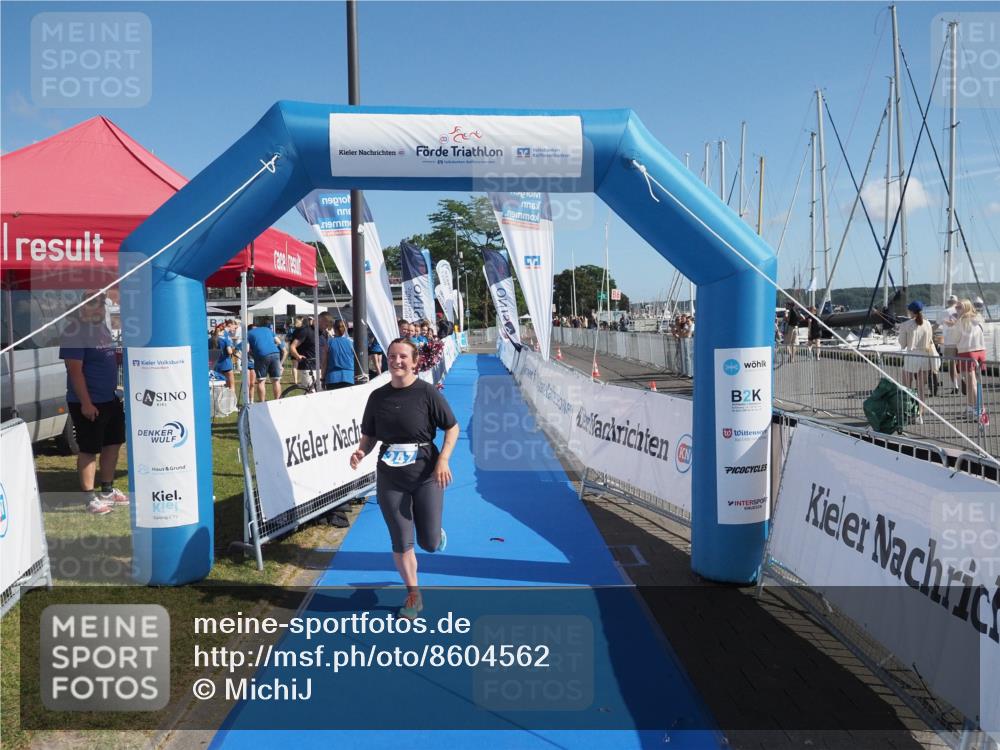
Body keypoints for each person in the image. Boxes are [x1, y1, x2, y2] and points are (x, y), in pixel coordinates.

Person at [349, 338, 460, 618]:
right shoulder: (378, 397)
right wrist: (361, 451)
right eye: (392, 356)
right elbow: (370, 435)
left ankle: (434, 532)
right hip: (390, 475)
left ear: (414, 362)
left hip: (426, 473)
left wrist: (443, 460)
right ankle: (413, 595)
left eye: (402, 357)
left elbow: (452, 427)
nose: (396, 361)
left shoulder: (426, 393)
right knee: (400, 541)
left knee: (430, 544)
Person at [59, 293, 129, 514]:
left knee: (113, 444)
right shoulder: (73, 332)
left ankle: (107, 489)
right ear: (82, 308)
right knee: (89, 449)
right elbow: (74, 371)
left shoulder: (102, 330)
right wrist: (86, 404)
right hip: (89, 402)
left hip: (110, 398)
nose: (99, 309)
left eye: (101, 305)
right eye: (93, 305)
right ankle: (89, 498)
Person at [897, 300, 934, 424]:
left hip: (912, 357)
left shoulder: (906, 324)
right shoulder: (928, 324)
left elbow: (902, 344)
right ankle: (919, 415)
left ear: (911, 311)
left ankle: (908, 413)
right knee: (921, 389)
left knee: (907, 387)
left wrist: (900, 332)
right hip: (924, 357)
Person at [955, 299, 987, 420]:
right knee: (976, 382)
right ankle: (973, 407)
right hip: (980, 351)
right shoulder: (978, 318)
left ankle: (977, 410)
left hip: (967, 352)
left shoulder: (961, 322)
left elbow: (955, 338)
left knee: (971, 383)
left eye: (959, 307)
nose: (957, 309)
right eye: (957, 307)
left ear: (966, 308)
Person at [247, 317, 283, 401]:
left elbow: (247, 349)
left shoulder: (248, 333)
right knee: (276, 380)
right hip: (275, 352)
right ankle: (278, 401)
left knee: (261, 381)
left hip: (261, 354)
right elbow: (278, 342)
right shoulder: (267, 329)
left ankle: (262, 403)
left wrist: (253, 353)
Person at [940, 294, 963, 393]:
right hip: (961, 341)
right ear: (957, 302)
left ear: (948, 302)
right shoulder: (962, 311)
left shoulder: (944, 312)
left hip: (949, 342)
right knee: (963, 362)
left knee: (951, 364)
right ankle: (965, 379)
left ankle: (956, 386)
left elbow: (936, 325)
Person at [324, 319, 355, 390]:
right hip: (349, 378)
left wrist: (322, 378)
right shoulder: (352, 343)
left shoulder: (329, 343)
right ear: (346, 328)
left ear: (334, 329)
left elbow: (324, 363)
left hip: (332, 378)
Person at [214, 320, 238, 392]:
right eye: (235, 327)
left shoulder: (211, 338)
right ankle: (232, 402)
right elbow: (230, 351)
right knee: (231, 385)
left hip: (216, 364)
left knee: (220, 385)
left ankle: (221, 402)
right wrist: (234, 351)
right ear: (229, 325)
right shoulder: (225, 337)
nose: (235, 329)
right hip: (226, 363)